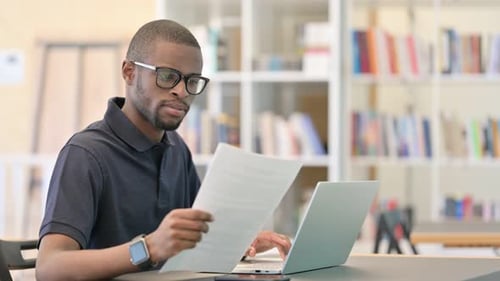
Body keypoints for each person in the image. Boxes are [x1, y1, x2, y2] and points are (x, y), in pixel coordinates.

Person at [35, 19, 291, 281]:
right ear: (129, 72)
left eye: (192, 81)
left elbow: (190, 244)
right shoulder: (86, 154)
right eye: (167, 76)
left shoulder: (177, 148)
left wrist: (235, 243)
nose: (181, 91)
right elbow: (49, 268)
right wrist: (149, 248)